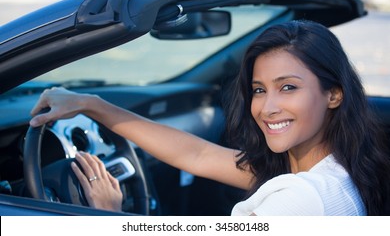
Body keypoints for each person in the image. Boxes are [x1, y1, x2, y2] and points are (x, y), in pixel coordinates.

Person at [29, 20, 390, 215]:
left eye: (289, 87)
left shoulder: (297, 200)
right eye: (260, 89)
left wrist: (110, 217)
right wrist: (93, 105)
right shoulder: (334, 172)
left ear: (334, 94)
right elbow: (196, 155)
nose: (267, 108)